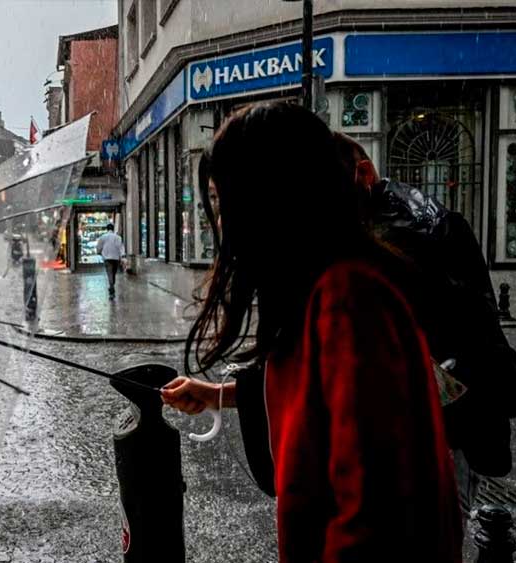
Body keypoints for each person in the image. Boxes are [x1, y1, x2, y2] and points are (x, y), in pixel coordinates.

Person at [161, 102, 461, 562]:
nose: (220, 223)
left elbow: (371, 516)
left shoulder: (347, 300)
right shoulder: (321, 292)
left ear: (271, 200)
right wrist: (220, 393)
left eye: (225, 202)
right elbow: (316, 396)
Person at [332, 133, 516, 509]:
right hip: (445, 413)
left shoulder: (396, 233)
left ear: (363, 173)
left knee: (437, 520)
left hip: (439, 420)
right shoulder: (412, 217)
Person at [95, 223, 124, 300]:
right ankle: (112, 286)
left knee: (109, 273)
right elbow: (121, 247)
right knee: (114, 273)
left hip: (107, 258)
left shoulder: (103, 237)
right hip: (116, 258)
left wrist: (99, 252)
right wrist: (122, 256)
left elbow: (98, 247)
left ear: (107, 229)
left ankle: (111, 287)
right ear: (113, 229)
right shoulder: (118, 237)